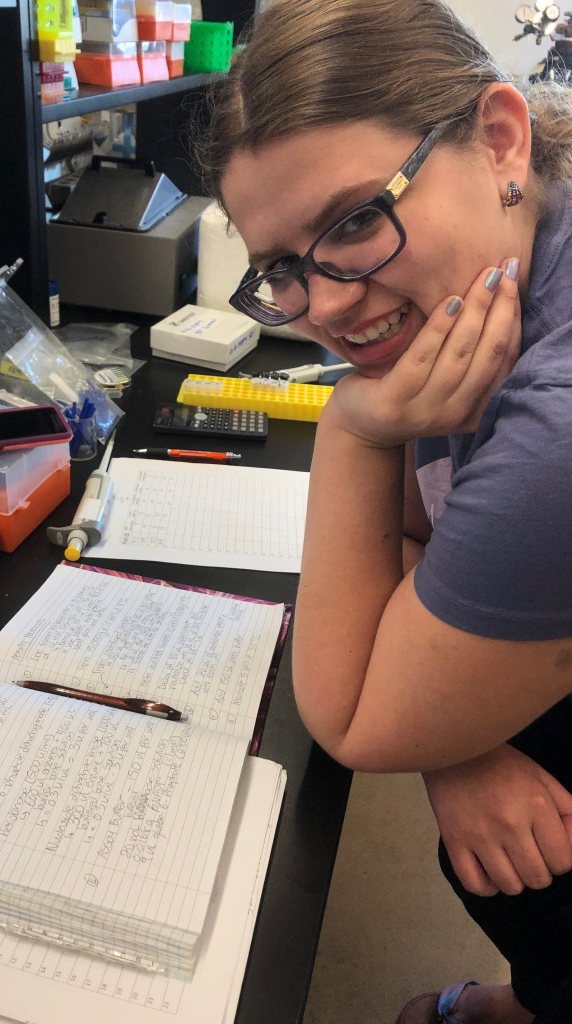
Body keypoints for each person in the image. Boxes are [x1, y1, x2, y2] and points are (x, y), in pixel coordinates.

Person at [195, 0, 572, 1021]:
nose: (322, 307)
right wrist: (456, 737)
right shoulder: (508, 269)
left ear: (500, 138)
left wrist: (352, 429)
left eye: (357, 220)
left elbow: (354, 711)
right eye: (281, 269)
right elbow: (415, 531)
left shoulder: (556, 430)